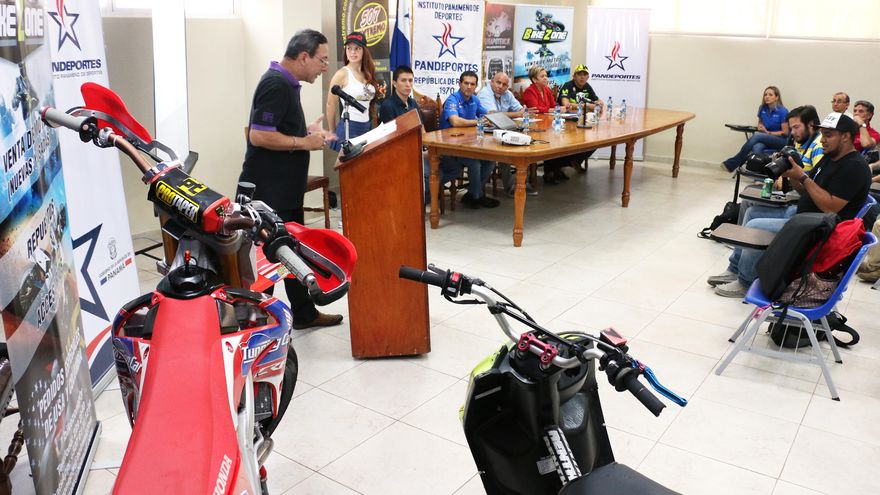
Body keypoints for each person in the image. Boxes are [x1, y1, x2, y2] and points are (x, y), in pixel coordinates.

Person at [239, 29, 343, 329]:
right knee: (267, 261)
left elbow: (276, 130)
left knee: (292, 251)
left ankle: (304, 314)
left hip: (285, 192)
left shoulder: (287, 83)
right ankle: (256, 326)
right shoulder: (275, 84)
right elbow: (259, 136)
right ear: (304, 56)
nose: (325, 68)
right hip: (268, 193)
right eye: (322, 60)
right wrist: (304, 142)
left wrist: (305, 132)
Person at [708, 112, 872, 298]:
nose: (822, 140)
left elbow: (831, 207)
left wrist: (802, 176)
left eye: (828, 135)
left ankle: (745, 282)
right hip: (804, 216)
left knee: (755, 225)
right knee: (750, 210)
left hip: (819, 229)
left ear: (846, 137)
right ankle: (735, 268)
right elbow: (805, 190)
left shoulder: (854, 166)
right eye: (822, 135)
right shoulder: (830, 157)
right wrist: (792, 175)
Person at [440, 71, 499, 209]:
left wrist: (494, 116)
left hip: (468, 144)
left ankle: (472, 194)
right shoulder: (452, 100)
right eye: (466, 83)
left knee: (490, 161)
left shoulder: (474, 100)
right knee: (474, 163)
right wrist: (478, 121)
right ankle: (477, 196)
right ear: (459, 84)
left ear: (476, 86)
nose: (469, 86)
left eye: (472, 84)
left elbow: (486, 115)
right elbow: (455, 122)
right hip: (450, 147)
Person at [476, 71, 537, 197]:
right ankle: (511, 186)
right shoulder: (485, 93)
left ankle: (521, 182)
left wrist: (520, 112)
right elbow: (493, 115)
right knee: (506, 146)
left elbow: (521, 110)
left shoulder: (507, 94)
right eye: (498, 82)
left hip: (502, 129)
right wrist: (517, 114)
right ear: (491, 82)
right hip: (483, 133)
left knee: (523, 143)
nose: (500, 86)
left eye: (504, 84)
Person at [325, 31, 379, 151]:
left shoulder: (368, 72)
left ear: (364, 50)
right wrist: (332, 130)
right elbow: (330, 104)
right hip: (349, 127)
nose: (352, 52)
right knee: (349, 163)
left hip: (366, 126)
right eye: (349, 48)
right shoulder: (342, 74)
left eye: (357, 48)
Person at [722, 86, 789, 172]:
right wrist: (760, 126)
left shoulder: (782, 111)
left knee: (757, 135)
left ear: (776, 97)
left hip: (781, 140)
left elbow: (785, 132)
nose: (767, 97)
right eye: (765, 94)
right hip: (765, 138)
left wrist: (768, 133)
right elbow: (760, 122)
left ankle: (732, 163)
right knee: (757, 147)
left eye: (770, 95)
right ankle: (761, 174)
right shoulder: (762, 108)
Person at [556, 64, 602, 173]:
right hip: (565, 122)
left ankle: (576, 161)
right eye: (579, 74)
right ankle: (562, 164)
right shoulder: (568, 85)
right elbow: (566, 104)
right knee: (573, 140)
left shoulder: (587, 86)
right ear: (574, 76)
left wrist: (598, 104)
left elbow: (598, 102)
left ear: (588, 77)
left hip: (581, 120)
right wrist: (588, 105)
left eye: (585, 75)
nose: (582, 77)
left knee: (596, 141)